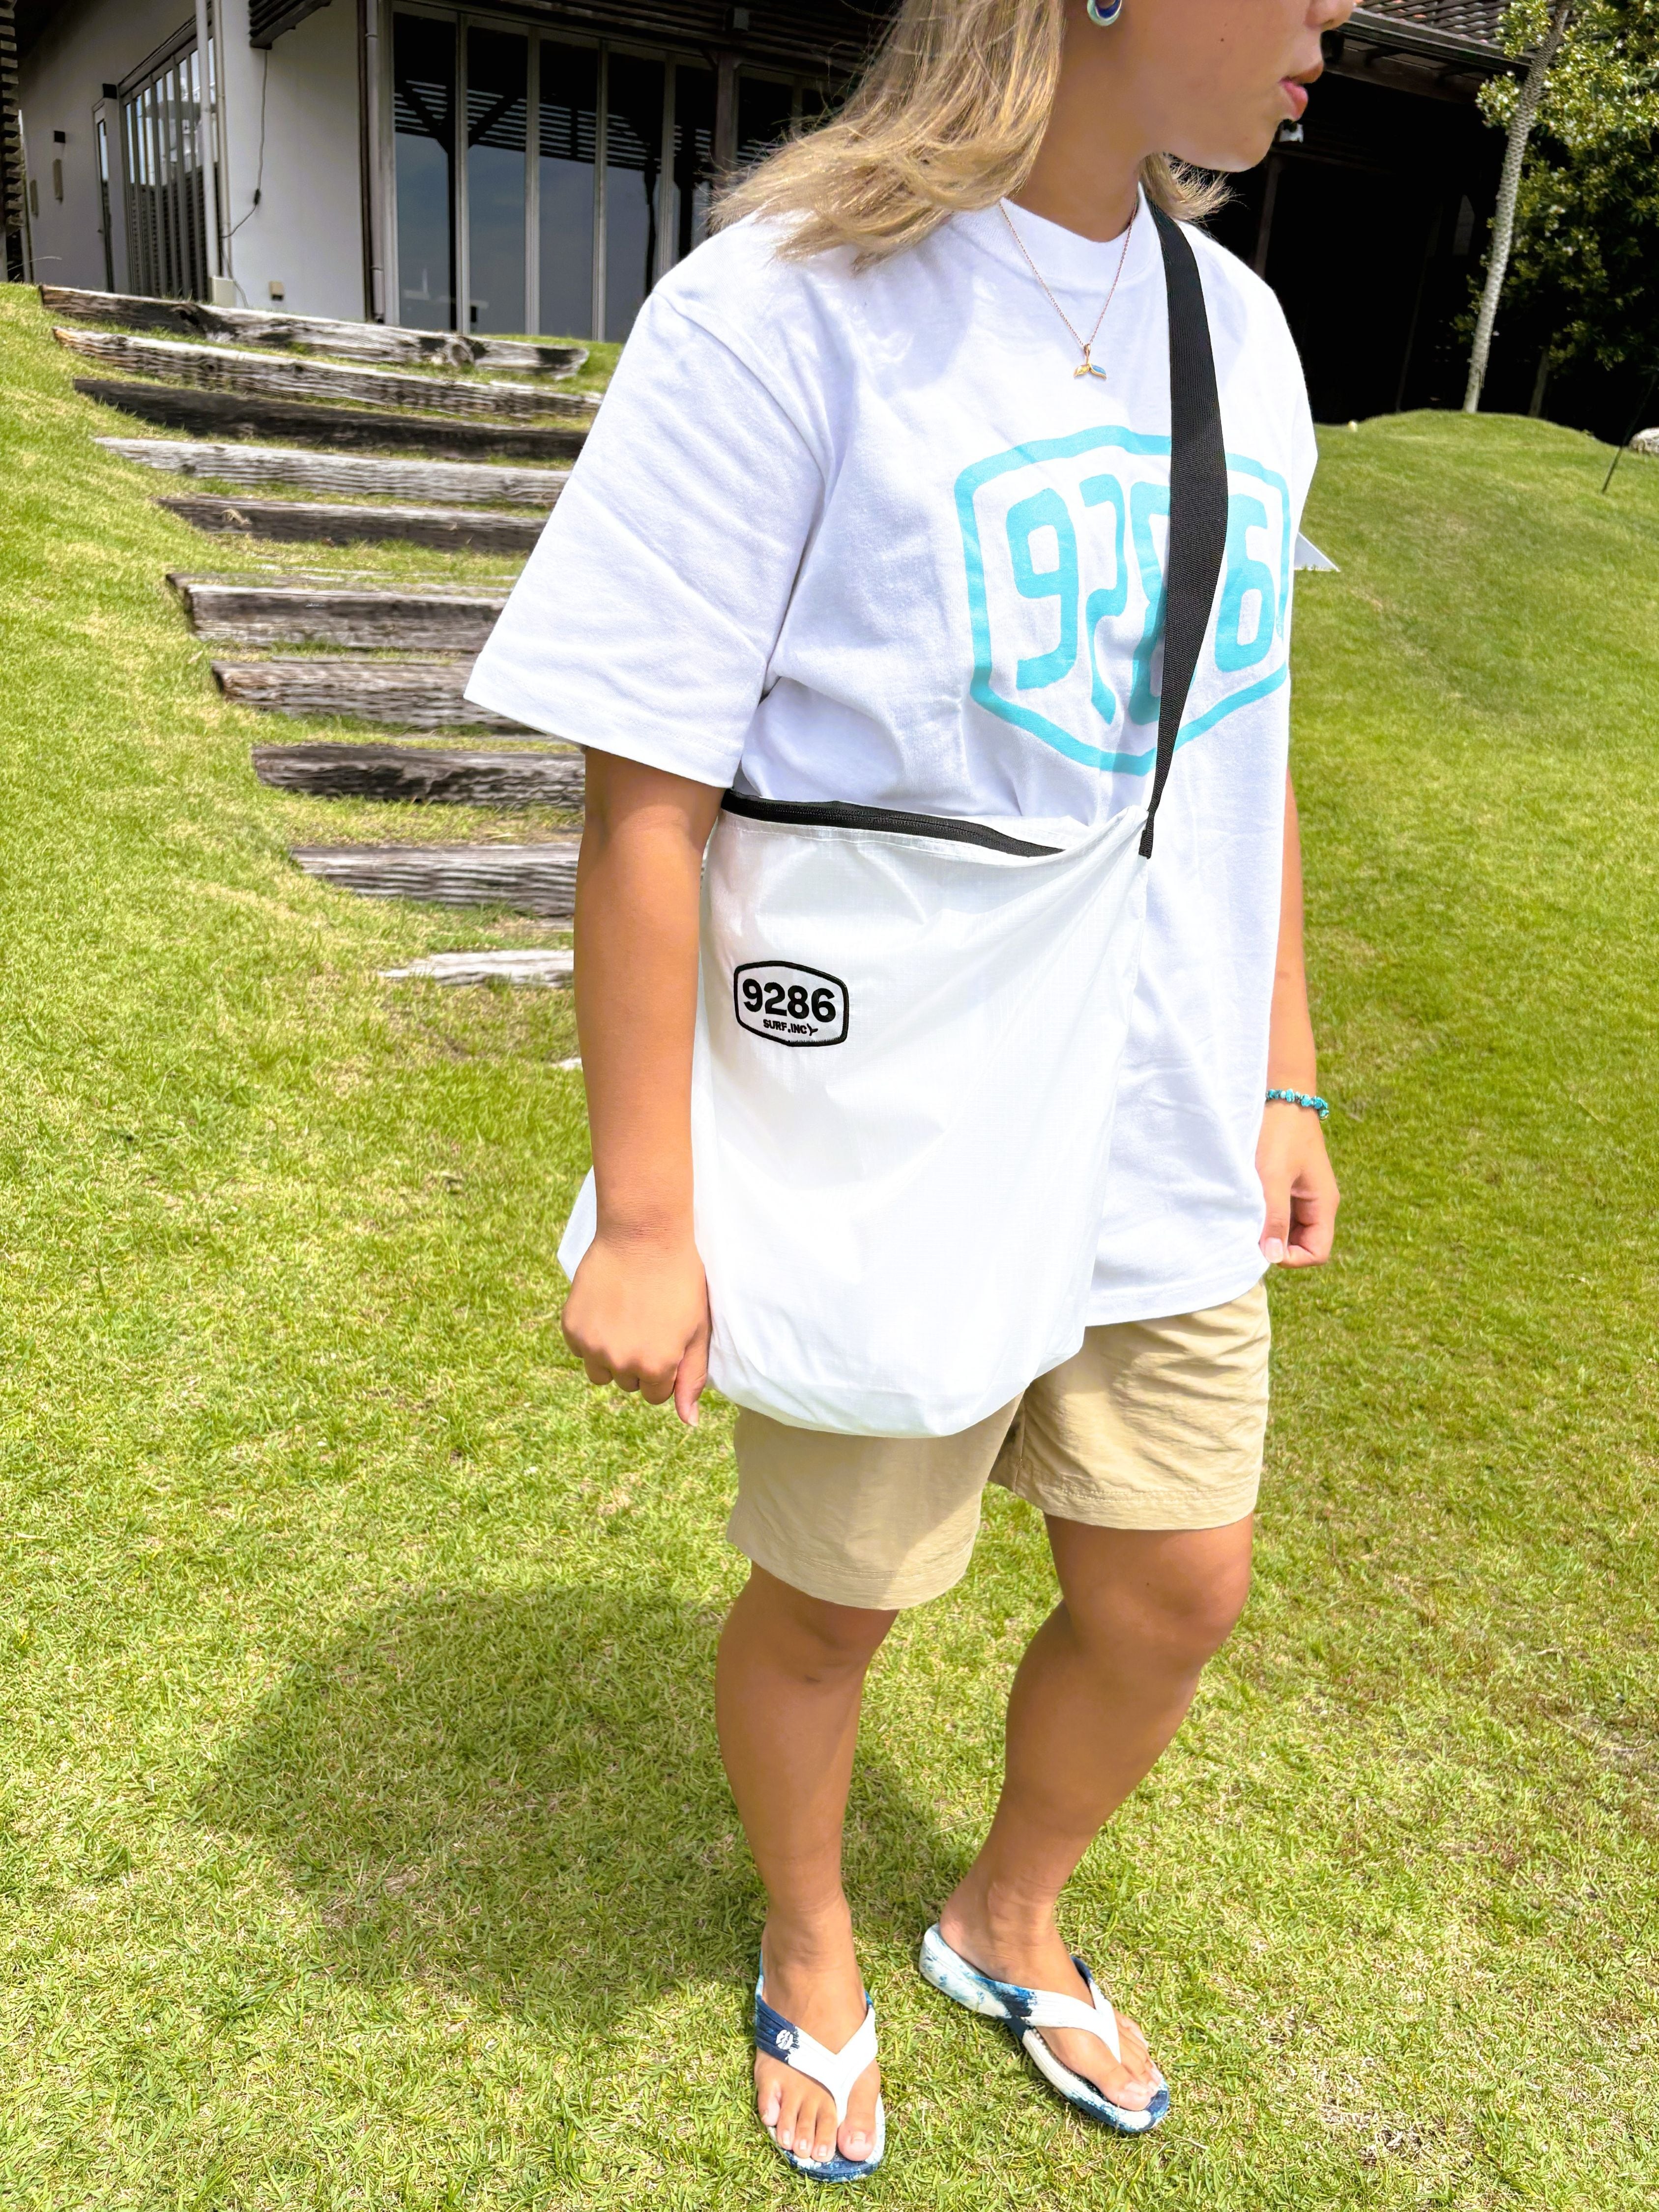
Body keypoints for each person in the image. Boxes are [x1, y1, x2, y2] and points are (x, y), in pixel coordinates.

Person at [467, 0, 1347, 2179]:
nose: (1342, 9)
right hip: (900, 1130)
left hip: (1161, 1120)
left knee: (1176, 1584)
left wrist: (1286, 1072)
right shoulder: (783, 312)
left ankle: (1004, 1915)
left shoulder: (1238, 335)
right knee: (839, 1600)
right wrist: (649, 1216)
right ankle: (812, 1932)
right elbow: (646, 800)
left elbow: (1237, 738)